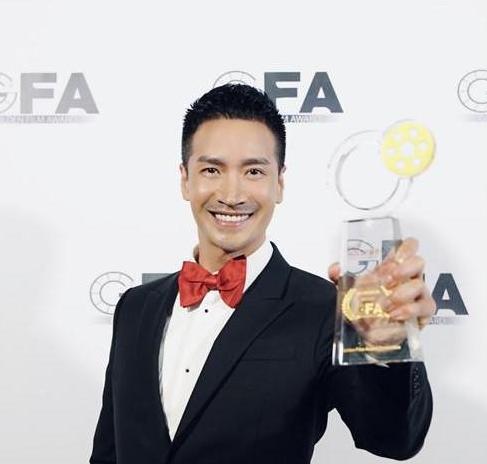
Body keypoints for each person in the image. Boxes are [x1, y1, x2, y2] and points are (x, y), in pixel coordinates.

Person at [89, 84, 435, 464]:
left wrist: (387, 347)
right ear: (185, 179)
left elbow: (395, 438)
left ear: (279, 183)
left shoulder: (325, 309)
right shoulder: (136, 307)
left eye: (253, 171)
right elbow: (108, 453)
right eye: (211, 170)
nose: (232, 194)